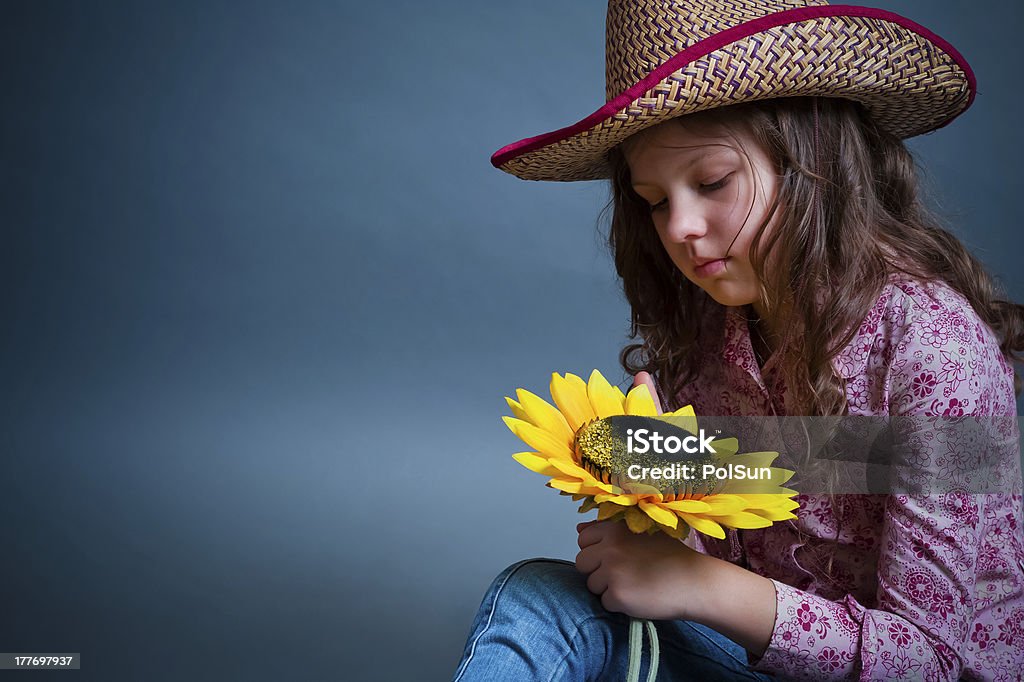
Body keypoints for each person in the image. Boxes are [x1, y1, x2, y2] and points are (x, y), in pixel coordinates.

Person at [452, 1, 1024, 680]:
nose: (680, 227)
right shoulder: (711, 325)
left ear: (814, 164)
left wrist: (697, 583)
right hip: (751, 662)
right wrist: (662, 497)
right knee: (538, 597)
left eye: (712, 182)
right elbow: (729, 538)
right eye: (656, 200)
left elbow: (933, 661)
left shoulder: (938, 346)